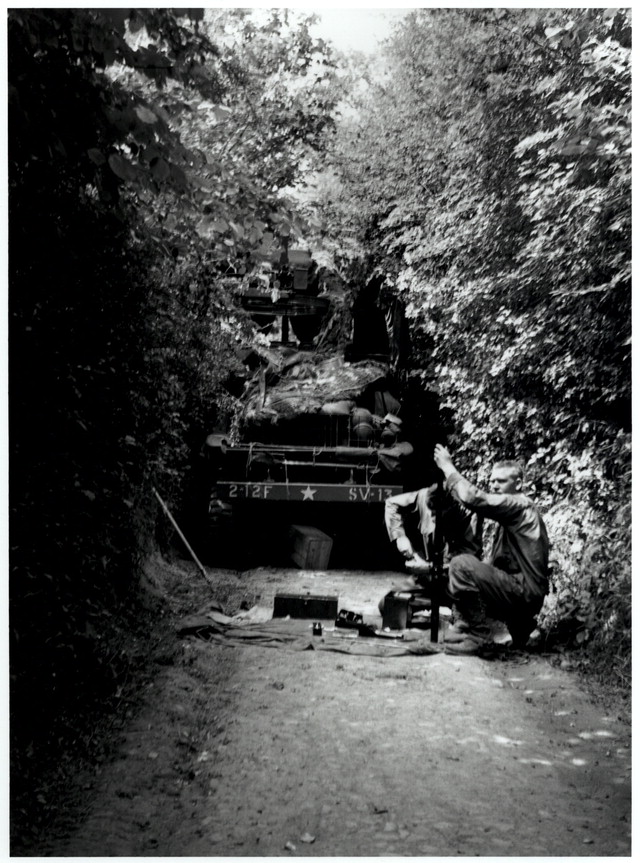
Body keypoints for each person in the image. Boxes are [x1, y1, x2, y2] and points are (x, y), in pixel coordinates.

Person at [433, 443, 550, 656]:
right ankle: (504, 627)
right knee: (452, 571)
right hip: (518, 590)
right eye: (492, 481)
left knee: (461, 565)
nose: (494, 485)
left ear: (519, 483)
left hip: (524, 593)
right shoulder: (511, 515)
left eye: (501, 481)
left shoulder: (520, 505)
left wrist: (448, 468)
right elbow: (494, 567)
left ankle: (480, 637)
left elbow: (473, 498)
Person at [384, 483, 483, 578]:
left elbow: (468, 558)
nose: (431, 517)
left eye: (436, 514)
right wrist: (400, 536)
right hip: (430, 560)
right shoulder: (423, 495)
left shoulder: (470, 514)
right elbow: (392, 503)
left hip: (455, 572)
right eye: (429, 511)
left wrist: (432, 568)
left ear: (452, 507)